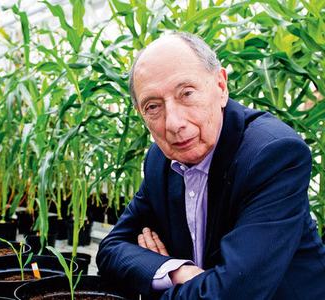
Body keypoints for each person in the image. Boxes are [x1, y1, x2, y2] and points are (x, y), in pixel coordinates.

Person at [96, 32, 325, 299]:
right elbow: (111, 248)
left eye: (187, 93)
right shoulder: (161, 160)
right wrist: (177, 272)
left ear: (221, 87)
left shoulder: (272, 155)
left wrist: (160, 283)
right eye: (153, 106)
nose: (173, 123)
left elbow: (233, 294)